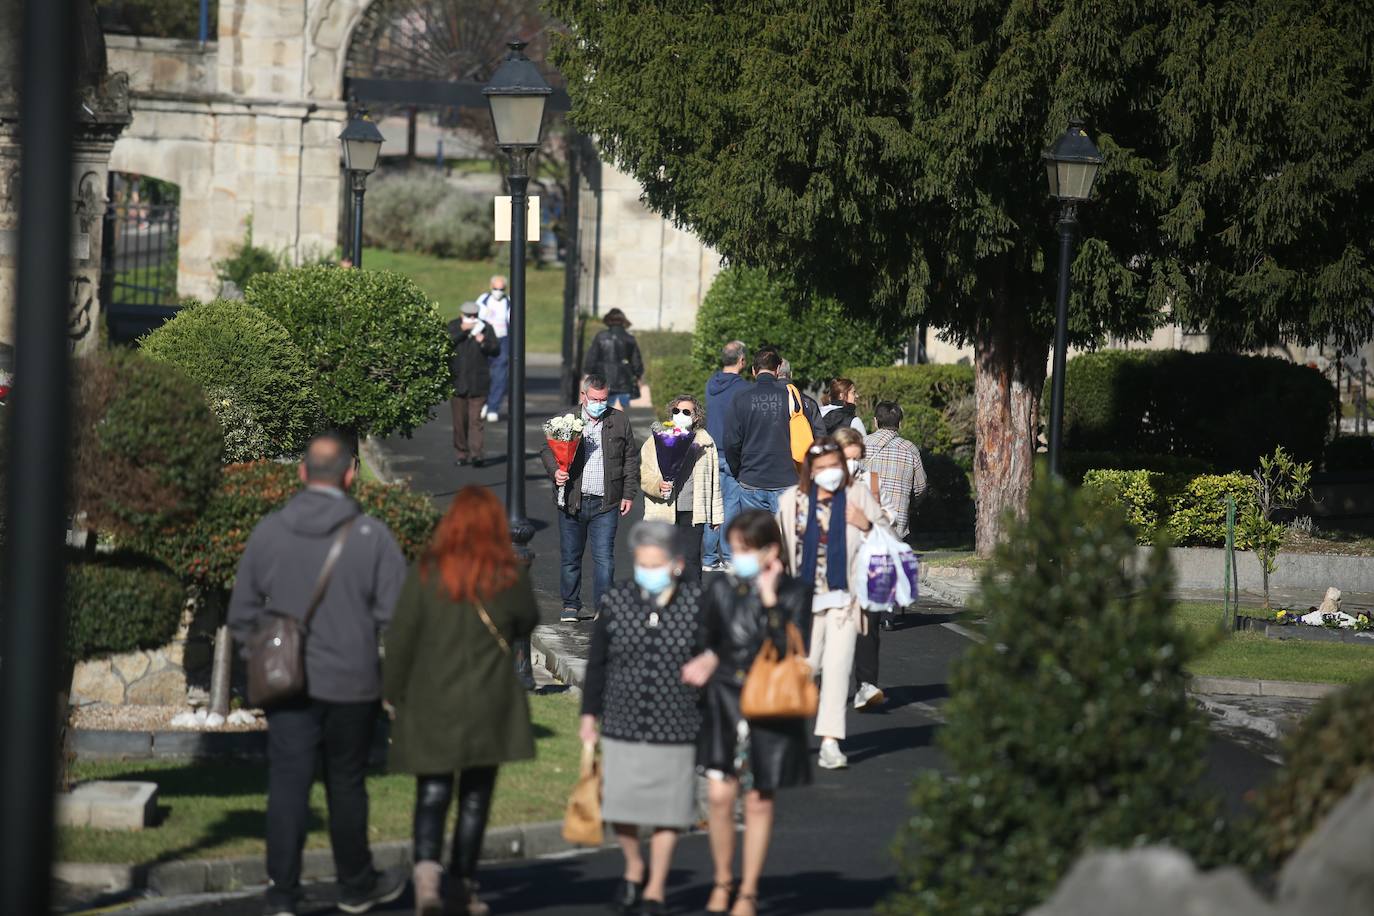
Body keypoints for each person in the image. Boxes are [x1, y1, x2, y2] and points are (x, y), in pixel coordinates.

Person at [227, 433, 408, 916]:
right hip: (352, 682)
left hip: (287, 683)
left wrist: (259, 658)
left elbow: (241, 613)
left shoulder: (270, 532)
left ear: (303, 473)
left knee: (288, 785)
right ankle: (355, 884)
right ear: (350, 476)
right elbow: (399, 618)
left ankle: (282, 894)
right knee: (346, 784)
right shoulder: (371, 536)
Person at [383, 487, 539, 916]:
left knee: (432, 791)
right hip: (488, 700)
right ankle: (461, 884)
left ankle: (426, 882)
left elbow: (401, 637)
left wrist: (390, 692)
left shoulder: (427, 572)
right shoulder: (506, 574)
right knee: (475, 797)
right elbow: (527, 621)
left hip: (431, 699)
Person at [682, 510, 813, 916]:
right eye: (734, 548)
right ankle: (723, 879)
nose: (736, 556)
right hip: (724, 701)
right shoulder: (722, 588)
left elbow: (792, 649)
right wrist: (706, 657)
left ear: (770, 551)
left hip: (771, 707)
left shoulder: (794, 592)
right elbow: (703, 638)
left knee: (759, 800)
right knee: (720, 797)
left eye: (744, 549)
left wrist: (771, 599)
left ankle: (749, 890)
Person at [581, 522, 705, 916]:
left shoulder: (696, 603)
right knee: (620, 805)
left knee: (670, 811)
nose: (647, 572)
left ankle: (655, 888)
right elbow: (597, 662)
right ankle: (634, 866)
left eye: (656, 564)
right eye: (642, 564)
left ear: (676, 564)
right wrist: (589, 714)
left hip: (677, 723)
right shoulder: (617, 599)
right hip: (622, 719)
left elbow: (718, 652)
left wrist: (710, 661)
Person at [775, 437, 892, 770]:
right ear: (810, 471)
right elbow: (778, 549)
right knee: (806, 669)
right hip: (804, 602)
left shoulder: (857, 495)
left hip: (846, 602)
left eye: (834, 466)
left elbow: (888, 539)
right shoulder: (792, 501)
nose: (830, 473)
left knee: (838, 671)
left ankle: (830, 742)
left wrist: (866, 524)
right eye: (822, 468)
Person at [540, 373, 640, 623]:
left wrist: (628, 493)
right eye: (595, 399)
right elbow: (547, 450)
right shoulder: (565, 420)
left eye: (604, 399)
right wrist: (555, 471)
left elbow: (630, 458)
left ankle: (603, 607)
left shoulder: (619, 421)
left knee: (604, 559)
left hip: (606, 503)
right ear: (583, 395)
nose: (599, 404)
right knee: (571, 558)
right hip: (572, 501)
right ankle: (570, 605)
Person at [832, 427, 890, 711]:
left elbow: (886, 526)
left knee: (869, 627)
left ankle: (866, 685)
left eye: (857, 458)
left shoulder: (871, 482)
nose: (853, 464)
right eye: (847, 458)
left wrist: (866, 522)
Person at [640, 394, 723, 584]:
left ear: (696, 417)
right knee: (663, 560)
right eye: (676, 410)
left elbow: (714, 480)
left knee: (691, 560)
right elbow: (644, 475)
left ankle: (693, 598)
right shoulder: (656, 440)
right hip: (663, 510)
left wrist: (716, 515)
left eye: (686, 412)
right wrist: (658, 485)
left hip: (693, 512)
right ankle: (665, 599)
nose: (680, 414)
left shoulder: (706, 441)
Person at [724, 349, 798, 516]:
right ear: (778, 369)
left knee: (755, 532)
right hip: (786, 477)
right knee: (787, 531)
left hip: (752, 477)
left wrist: (738, 470)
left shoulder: (740, 397)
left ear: (753, 370)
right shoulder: (791, 396)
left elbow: (731, 441)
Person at [703, 341, 750, 570]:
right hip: (732, 454)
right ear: (741, 360)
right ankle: (729, 556)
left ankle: (709, 558)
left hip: (710, 452)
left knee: (712, 507)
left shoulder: (711, 383)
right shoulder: (743, 388)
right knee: (731, 506)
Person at [864, 401, 929, 543]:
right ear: (900, 423)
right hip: (896, 528)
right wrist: (911, 504)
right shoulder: (910, 450)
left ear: (875, 422)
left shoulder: (861, 445)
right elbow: (921, 488)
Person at [447, 301, 501, 468]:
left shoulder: (486, 328)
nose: (471, 319)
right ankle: (461, 453)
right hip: (458, 382)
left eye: (474, 316)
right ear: (461, 315)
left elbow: (496, 350)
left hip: (478, 383)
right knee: (459, 421)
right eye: (468, 316)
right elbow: (445, 344)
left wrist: (483, 342)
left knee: (475, 421)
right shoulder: (453, 326)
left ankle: (477, 454)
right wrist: (462, 331)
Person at [583, 307, 645, 411]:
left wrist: (587, 373)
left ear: (608, 320)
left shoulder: (600, 337)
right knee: (624, 413)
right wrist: (638, 375)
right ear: (623, 321)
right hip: (624, 381)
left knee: (602, 411)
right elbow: (636, 362)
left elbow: (592, 357)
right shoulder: (630, 339)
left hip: (603, 380)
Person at [476, 275, 509, 423]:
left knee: (499, 375)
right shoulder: (483, 300)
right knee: (482, 374)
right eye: (496, 288)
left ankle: (493, 407)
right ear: (491, 287)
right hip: (485, 340)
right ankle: (483, 403)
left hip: (502, 340)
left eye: (501, 289)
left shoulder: (509, 302)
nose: (498, 292)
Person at [776, 358, 825, 439]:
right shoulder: (808, 402)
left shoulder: (766, 400)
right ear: (791, 375)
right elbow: (820, 434)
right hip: (803, 445)